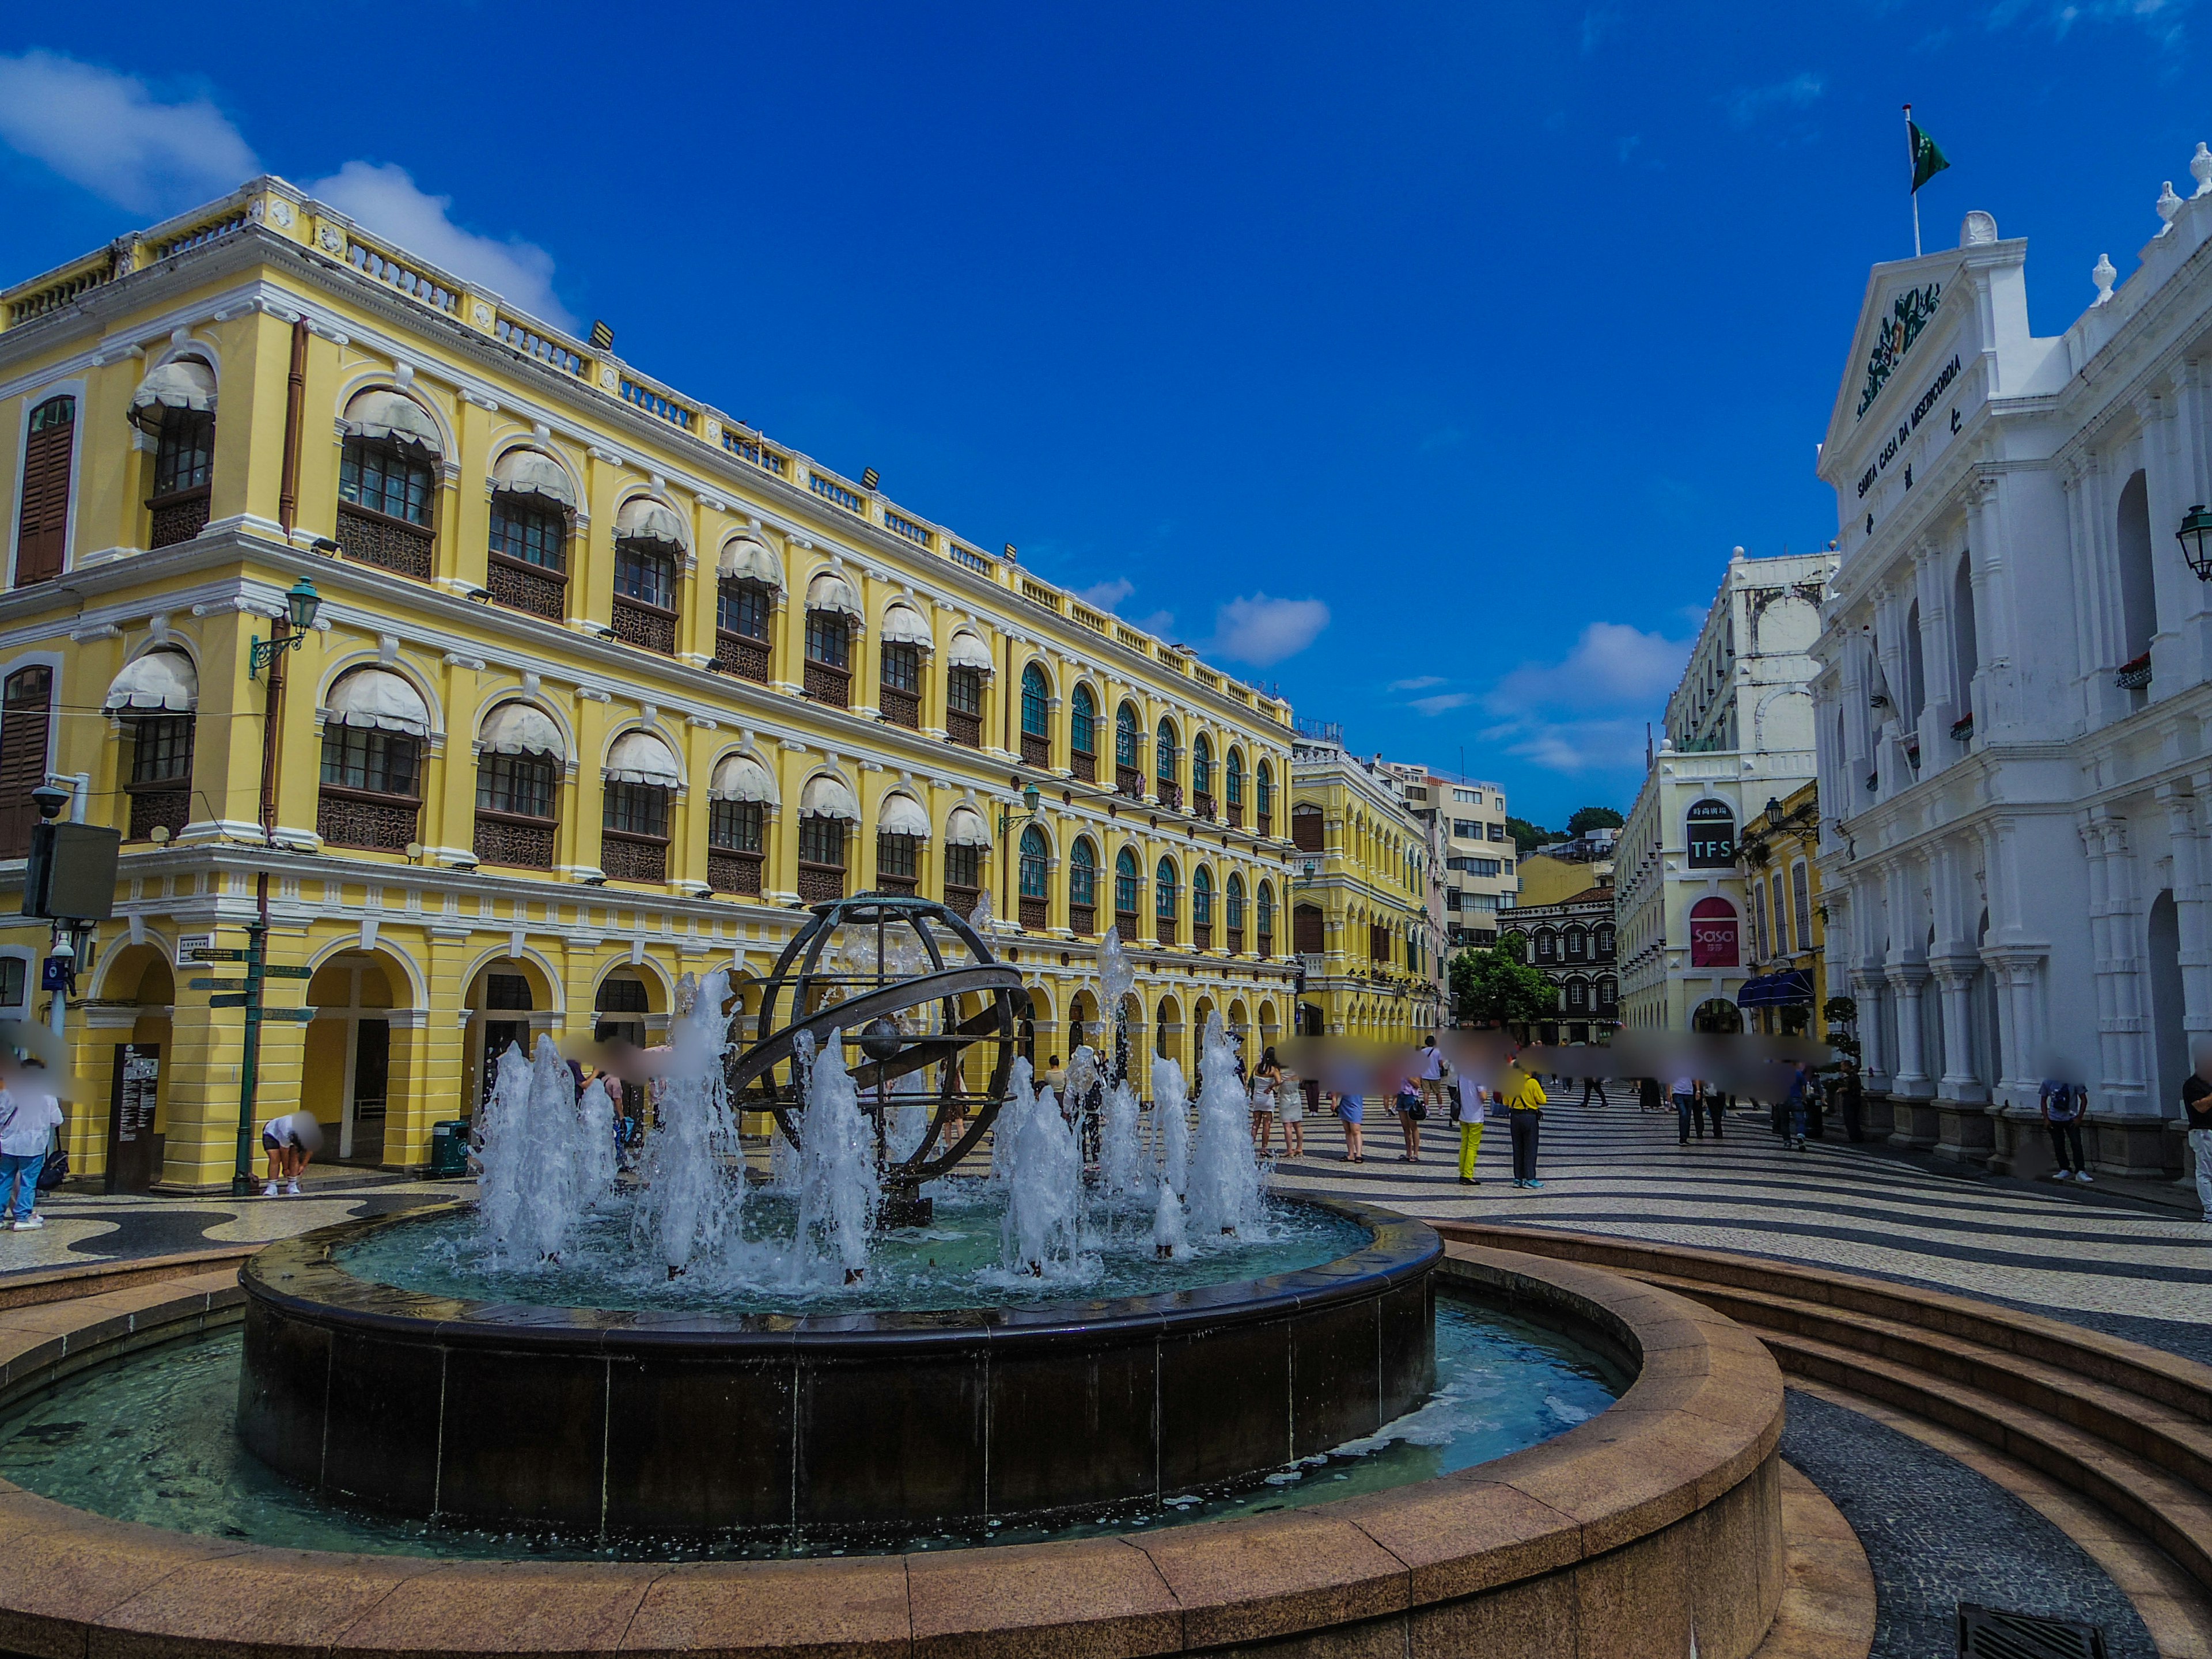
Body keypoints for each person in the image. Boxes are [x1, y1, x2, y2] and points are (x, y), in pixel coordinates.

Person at [0, 1078, 63, 1230]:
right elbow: (57, 1120)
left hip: (8, 1143)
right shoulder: (48, 1095)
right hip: (33, 1145)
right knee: (28, 1182)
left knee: (4, 1180)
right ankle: (22, 1217)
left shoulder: (8, 1093)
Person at [1503, 1050, 1547, 1188]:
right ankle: (1530, 1178)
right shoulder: (1532, 1082)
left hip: (1514, 1117)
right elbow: (1543, 1100)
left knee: (1517, 1148)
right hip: (1529, 1117)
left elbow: (1505, 1102)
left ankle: (1518, 1178)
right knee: (1530, 1148)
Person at [2041, 1074, 2091, 1183]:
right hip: (2055, 1119)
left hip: (2071, 1118)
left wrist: (2080, 1117)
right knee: (2058, 1145)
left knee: (2076, 1143)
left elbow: (2084, 1099)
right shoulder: (2048, 1082)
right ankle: (2064, 1168)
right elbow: (2043, 1100)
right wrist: (2046, 1118)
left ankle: (2080, 1170)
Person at [2186, 1040, 2212, 1222]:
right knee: (2205, 1172)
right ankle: (2210, 1210)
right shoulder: (2192, 1085)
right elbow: (2201, 1108)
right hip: (2203, 1132)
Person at [1453, 1066, 1487, 1185]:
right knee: (1473, 1146)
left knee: (1464, 1145)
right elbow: (1483, 1096)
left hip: (1463, 1114)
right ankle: (1468, 1174)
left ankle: (1462, 1172)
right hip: (1475, 1116)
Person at [1248, 1047, 1281, 1157]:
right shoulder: (1273, 1069)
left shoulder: (1257, 1067)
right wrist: (1271, 1087)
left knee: (1255, 1123)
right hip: (1267, 1098)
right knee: (1266, 1125)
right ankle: (1264, 1148)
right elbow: (1279, 1081)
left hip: (1257, 1097)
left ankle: (1250, 1145)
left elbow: (1252, 1080)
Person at [1277, 1052, 1306, 1160]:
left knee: (1287, 1126)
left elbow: (1277, 1083)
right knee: (1298, 1125)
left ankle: (1290, 1150)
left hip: (1285, 1098)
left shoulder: (1281, 1073)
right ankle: (1300, 1148)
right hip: (1296, 1098)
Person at [1392, 1073, 1426, 1162]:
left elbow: (1418, 1084)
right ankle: (1408, 1153)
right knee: (1405, 1127)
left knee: (1413, 1127)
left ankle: (1416, 1154)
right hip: (1400, 1096)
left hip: (1410, 1097)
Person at [1332, 1083, 1365, 1163]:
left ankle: (1359, 1154)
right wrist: (1334, 1100)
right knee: (1348, 1130)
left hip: (1355, 1104)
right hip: (1345, 1103)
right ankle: (1351, 1154)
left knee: (1356, 1130)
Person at [1416, 1036, 1447, 1118]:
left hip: (1425, 1075)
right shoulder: (1438, 1052)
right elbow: (1441, 1063)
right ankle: (1440, 1110)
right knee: (1438, 1093)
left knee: (1426, 1093)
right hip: (1435, 1075)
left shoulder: (1422, 1052)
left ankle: (1427, 1110)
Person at [1835, 1059, 1865, 1143]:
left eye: (1842, 1067)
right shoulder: (1854, 1075)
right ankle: (1857, 1136)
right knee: (1853, 1119)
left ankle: (1855, 1137)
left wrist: (1841, 1090)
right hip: (1854, 1099)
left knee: (1850, 1119)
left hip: (1851, 1099)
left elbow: (1849, 1088)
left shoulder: (1852, 1076)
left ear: (1846, 1066)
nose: (1842, 1069)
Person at [1669, 1073, 1699, 1146]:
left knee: (1688, 1116)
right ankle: (1682, 1138)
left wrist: (1698, 1091)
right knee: (1684, 1113)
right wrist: (1668, 1093)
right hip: (1677, 1092)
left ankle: (1684, 1137)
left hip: (1689, 1093)